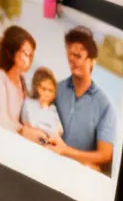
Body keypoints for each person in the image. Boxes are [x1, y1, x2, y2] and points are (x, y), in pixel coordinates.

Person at [45, 27, 117, 173]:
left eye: (78, 56)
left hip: (78, 176)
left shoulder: (105, 106)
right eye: (70, 56)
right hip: (47, 165)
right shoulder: (56, 90)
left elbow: (105, 154)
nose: (73, 62)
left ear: (92, 61)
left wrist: (66, 151)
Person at [0, 24, 33, 132]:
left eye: (31, 55)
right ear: (12, 52)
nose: (29, 60)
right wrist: (23, 131)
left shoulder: (22, 86)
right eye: (26, 53)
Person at [19, 68, 64, 144]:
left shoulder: (52, 110)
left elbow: (59, 130)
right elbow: (27, 122)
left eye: (50, 90)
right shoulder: (29, 103)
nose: (47, 93)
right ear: (38, 88)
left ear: (54, 94)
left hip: (48, 140)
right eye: (44, 89)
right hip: (30, 137)